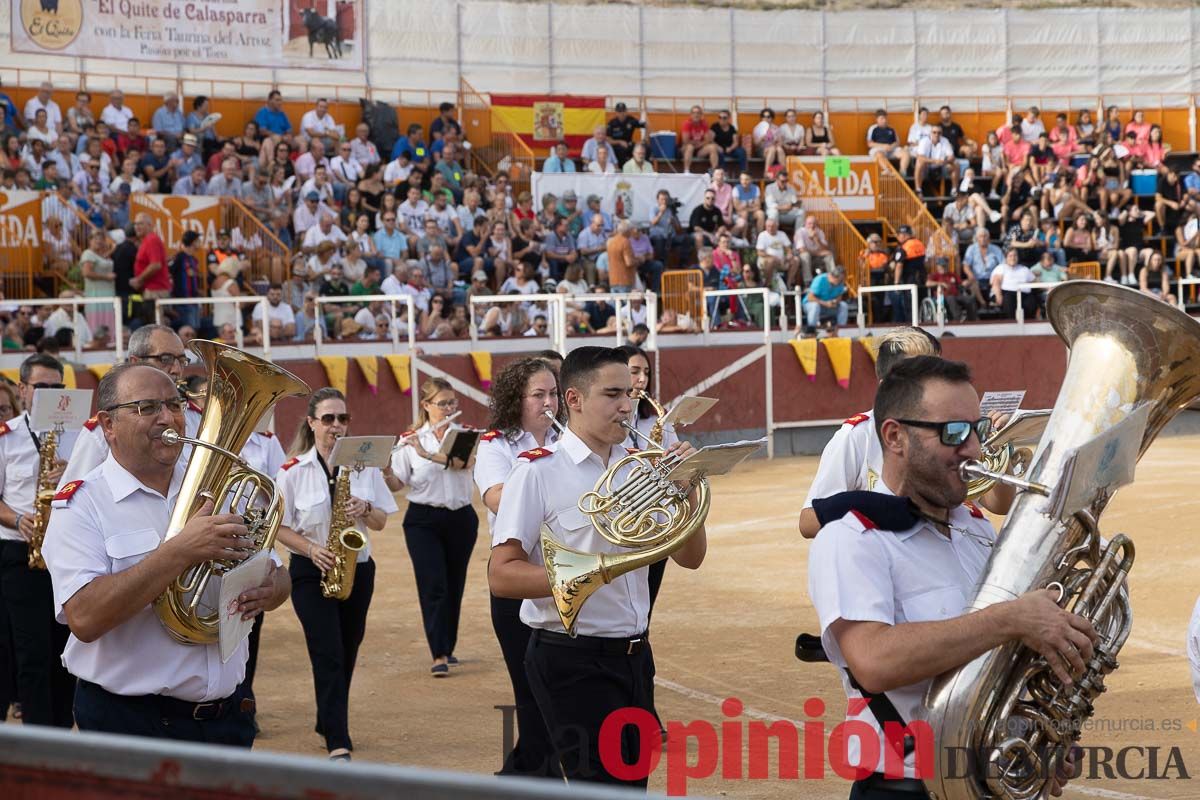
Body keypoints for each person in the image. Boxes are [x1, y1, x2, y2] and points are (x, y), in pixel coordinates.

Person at [808, 356, 1088, 798]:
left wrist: (1044, 734)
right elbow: (874, 661)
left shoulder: (976, 527)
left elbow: (1004, 661)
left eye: (976, 429)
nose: (975, 448)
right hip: (906, 786)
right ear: (895, 436)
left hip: (995, 779)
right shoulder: (853, 538)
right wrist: (1008, 618)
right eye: (953, 433)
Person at [489, 346, 705, 787]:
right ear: (573, 400)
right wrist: (576, 577)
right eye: (612, 394)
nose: (627, 405)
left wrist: (686, 491)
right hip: (570, 657)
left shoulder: (638, 468)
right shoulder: (536, 473)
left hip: (635, 656)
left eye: (628, 393)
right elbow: (501, 573)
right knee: (603, 790)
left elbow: (691, 556)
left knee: (632, 787)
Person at [42, 363, 291, 744]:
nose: (168, 417)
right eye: (147, 408)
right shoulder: (81, 504)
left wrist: (271, 589)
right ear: (108, 425)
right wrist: (181, 550)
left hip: (229, 718)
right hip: (130, 724)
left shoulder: (224, 486)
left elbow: (277, 572)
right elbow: (85, 617)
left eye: (175, 405)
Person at [273, 388, 396, 761]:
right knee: (327, 651)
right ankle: (337, 738)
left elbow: (381, 522)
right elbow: (277, 526)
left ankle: (327, 718)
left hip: (357, 568)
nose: (337, 426)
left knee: (348, 648)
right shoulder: (292, 471)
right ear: (311, 423)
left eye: (342, 419)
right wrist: (311, 549)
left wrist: (366, 505)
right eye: (328, 419)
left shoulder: (366, 466)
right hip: (311, 569)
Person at [472, 358, 561, 776]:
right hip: (515, 575)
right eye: (538, 395)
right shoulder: (496, 445)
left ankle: (518, 777)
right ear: (517, 400)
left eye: (553, 393)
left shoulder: (569, 442)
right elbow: (496, 498)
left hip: (561, 575)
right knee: (530, 691)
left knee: (555, 690)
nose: (549, 403)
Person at [0, 355, 77, 728]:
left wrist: (74, 475)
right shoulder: (7, 435)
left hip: (67, 553)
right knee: (32, 654)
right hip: (20, 552)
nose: (49, 395)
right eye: (41, 388)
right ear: (23, 390)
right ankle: (39, 745)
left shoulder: (80, 438)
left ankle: (61, 736)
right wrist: (18, 520)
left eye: (56, 388)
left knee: (67, 653)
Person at [390, 379, 478, 678]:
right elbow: (397, 484)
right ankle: (438, 652)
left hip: (461, 518)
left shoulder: (465, 434)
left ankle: (448, 647)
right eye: (443, 404)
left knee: (454, 585)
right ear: (426, 406)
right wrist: (383, 467)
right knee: (434, 586)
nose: (450, 408)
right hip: (422, 521)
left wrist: (425, 453)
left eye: (452, 402)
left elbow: (461, 463)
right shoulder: (411, 439)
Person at [58, 325, 200, 490]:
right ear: (136, 362)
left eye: (182, 361)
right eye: (165, 359)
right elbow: (76, 493)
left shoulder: (196, 418)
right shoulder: (105, 428)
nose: (176, 369)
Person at [617, 344, 678, 614]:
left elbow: (677, 463)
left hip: (655, 524)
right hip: (621, 523)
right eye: (634, 372)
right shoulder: (605, 421)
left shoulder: (657, 420)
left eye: (646, 372)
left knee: (645, 606)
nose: (642, 379)